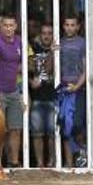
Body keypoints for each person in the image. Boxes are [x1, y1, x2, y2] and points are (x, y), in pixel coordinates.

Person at [0, 15, 25, 170]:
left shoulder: (19, 41)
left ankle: (14, 163)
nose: (8, 28)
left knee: (15, 128)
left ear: (16, 26)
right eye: (5, 25)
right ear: (0, 26)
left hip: (14, 90)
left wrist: (22, 92)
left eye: (11, 25)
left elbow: (21, 66)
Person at [58, 15, 88, 168]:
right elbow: (51, 67)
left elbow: (86, 68)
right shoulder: (60, 43)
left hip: (79, 90)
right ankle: (68, 164)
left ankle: (82, 157)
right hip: (63, 89)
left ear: (78, 27)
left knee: (77, 125)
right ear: (63, 26)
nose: (69, 27)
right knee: (64, 126)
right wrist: (52, 51)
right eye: (67, 24)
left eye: (72, 25)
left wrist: (77, 86)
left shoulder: (83, 43)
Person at [28, 23, 59, 168]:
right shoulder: (34, 49)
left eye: (50, 33)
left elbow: (50, 70)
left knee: (53, 133)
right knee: (37, 133)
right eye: (44, 33)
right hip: (37, 97)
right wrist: (30, 81)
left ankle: (52, 162)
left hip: (53, 96)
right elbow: (26, 69)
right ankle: (40, 164)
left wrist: (52, 53)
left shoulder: (58, 50)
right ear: (39, 35)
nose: (47, 36)